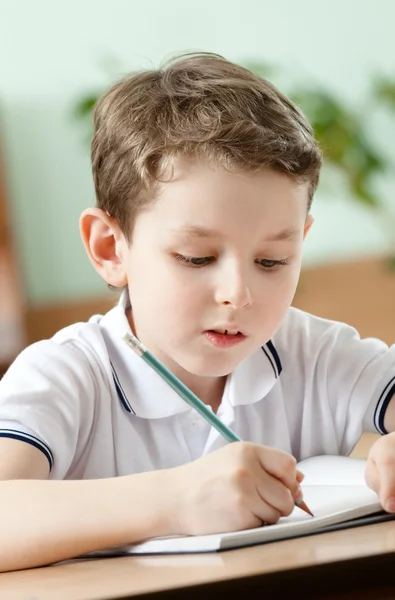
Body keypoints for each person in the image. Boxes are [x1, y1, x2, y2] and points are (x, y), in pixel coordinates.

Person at [1, 52, 395, 573]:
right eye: (197, 258)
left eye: (272, 261)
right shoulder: (67, 375)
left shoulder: (313, 353)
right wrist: (175, 499)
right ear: (110, 248)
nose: (238, 294)